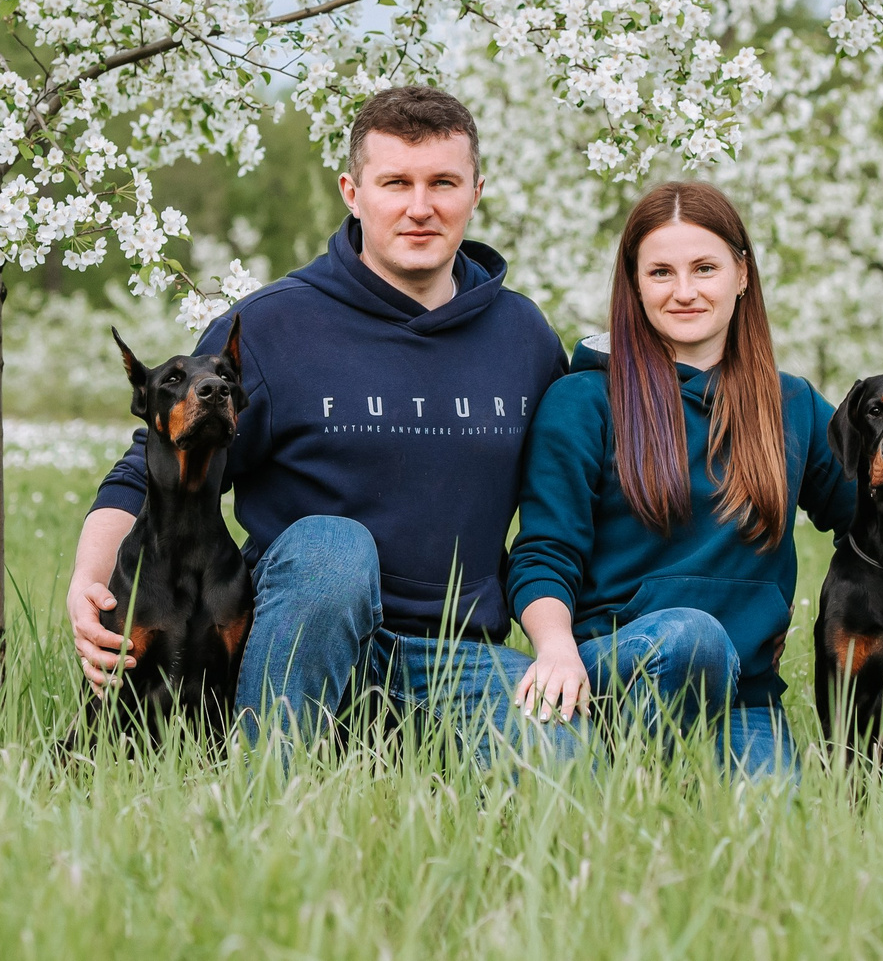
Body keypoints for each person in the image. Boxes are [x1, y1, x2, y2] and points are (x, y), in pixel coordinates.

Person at [69, 86, 571, 759]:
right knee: (333, 547)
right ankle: (265, 783)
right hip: (293, 641)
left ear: (477, 189)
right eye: (395, 181)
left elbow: (561, 515)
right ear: (352, 191)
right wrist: (91, 591)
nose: (419, 206)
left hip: (452, 662)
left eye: (442, 182)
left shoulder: (525, 337)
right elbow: (145, 470)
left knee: (572, 769)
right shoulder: (274, 327)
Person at [506, 180, 883, 779]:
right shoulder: (583, 402)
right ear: (634, 283)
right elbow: (543, 554)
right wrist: (555, 649)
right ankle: (609, 756)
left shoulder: (790, 405)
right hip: (614, 672)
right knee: (691, 636)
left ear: (742, 274)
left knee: (765, 832)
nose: (684, 291)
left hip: (744, 697)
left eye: (704, 268)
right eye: (661, 272)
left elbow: (873, 518)